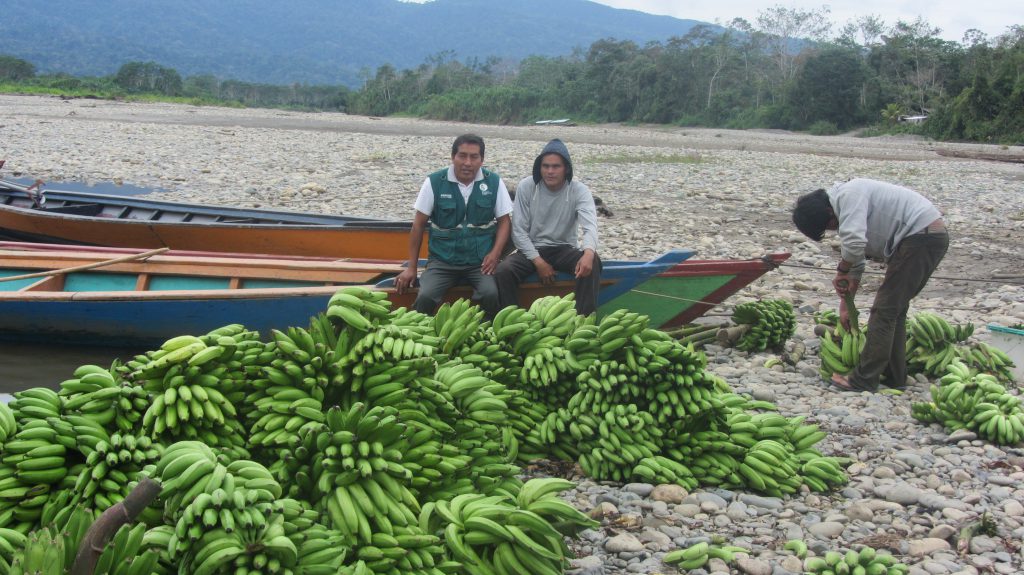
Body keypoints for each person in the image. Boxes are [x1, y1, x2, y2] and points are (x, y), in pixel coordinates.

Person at [792, 178, 949, 392]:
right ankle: (895, 376)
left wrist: (842, 269)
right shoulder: (845, 201)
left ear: (829, 212)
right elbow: (857, 260)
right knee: (895, 310)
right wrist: (846, 305)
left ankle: (864, 380)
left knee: (884, 310)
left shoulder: (849, 195)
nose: (835, 229)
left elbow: (854, 245)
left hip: (921, 238)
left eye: (831, 226)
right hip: (921, 238)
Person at [394, 134, 512, 318]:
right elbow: (418, 226)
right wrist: (411, 267)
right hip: (442, 262)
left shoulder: (494, 182)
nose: (467, 162)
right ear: (453, 157)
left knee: (491, 294)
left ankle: (488, 336)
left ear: (482, 160)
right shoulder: (434, 182)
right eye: (462, 156)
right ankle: (421, 333)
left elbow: (505, 222)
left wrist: (495, 254)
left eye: (474, 157)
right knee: (426, 296)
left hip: (479, 263)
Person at [495, 139, 601, 315]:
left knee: (593, 262)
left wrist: (589, 253)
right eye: (545, 166)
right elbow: (519, 231)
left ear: (566, 168)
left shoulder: (579, 190)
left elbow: (590, 227)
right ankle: (513, 320)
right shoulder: (527, 186)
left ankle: (583, 321)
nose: (550, 171)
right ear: (539, 167)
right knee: (504, 271)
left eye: (556, 166)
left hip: (563, 249)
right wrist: (539, 262)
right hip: (531, 249)